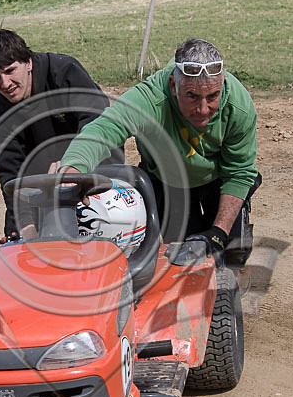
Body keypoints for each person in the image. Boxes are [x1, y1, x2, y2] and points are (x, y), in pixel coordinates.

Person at [58, 38, 261, 265]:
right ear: (174, 86)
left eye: (213, 96)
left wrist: (219, 232)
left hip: (219, 178)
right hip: (169, 182)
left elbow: (239, 172)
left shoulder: (239, 106)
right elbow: (103, 129)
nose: (203, 109)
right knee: (189, 256)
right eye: (192, 96)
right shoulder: (150, 99)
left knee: (230, 253)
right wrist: (74, 166)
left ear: (222, 86)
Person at [0, 27, 120, 238]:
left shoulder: (64, 73)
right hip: (42, 179)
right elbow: (11, 174)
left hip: (94, 162)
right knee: (19, 235)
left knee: (98, 226)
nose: (5, 84)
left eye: (10, 71)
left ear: (29, 62)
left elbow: (97, 122)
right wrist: (24, 225)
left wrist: (73, 163)